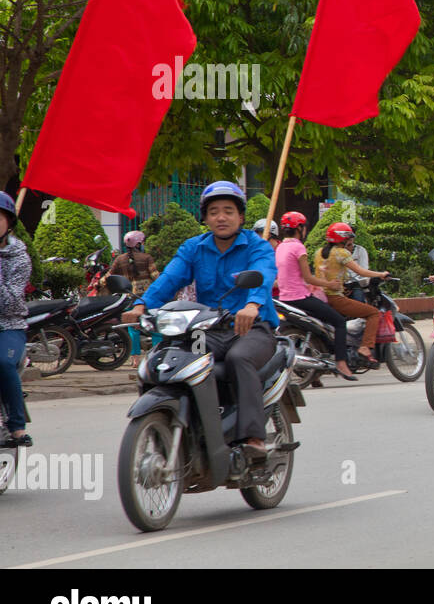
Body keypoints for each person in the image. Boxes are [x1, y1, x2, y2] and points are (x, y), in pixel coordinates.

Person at [126, 181, 280, 456]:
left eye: (228, 211)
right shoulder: (194, 248)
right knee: (170, 358)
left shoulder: (257, 246)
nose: (221, 217)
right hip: (208, 330)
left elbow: (263, 273)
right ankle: (174, 426)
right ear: (205, 217)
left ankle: (253, 437)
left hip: (252, 329)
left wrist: (252, 305)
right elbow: (170, 279)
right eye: (214, 211)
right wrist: (141, 306)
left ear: (240, 217)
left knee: (239, 359)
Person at [275, 211, 356, 381]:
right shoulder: (298, 247)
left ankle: (316, 373)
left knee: (319, 325)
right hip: (300, 298)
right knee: (339, 322)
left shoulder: (280, 247)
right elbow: (308, 277)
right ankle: (341, 362)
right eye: (304, 227)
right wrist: (330, 284)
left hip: (284, 298)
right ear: (300, 228)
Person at [315, 223, 390, 366]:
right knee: (373, 313)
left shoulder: (319, 252)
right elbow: (361, 271)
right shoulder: (341, 253)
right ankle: (365, 347)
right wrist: (381, 274)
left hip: (320, 297)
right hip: (335, 297)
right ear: (342, 238)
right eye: (348, 238)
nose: (350, 242)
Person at [0, 192, 33, 449]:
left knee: (1, 363)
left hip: (8, 325)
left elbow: (9, 301)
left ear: (9, 223)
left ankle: (16, 426)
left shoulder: (19, 258)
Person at [107, 230, 160, 369]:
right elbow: (156, 276)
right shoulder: (147, 257)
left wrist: (95, 283)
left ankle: (135, 359)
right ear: (138, 243)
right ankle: (156, 357)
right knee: (154, 327)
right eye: (142, 242)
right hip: (148, 299)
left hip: (129, 297)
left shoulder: (120, 260)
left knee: (132, 329)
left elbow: (109, 276)